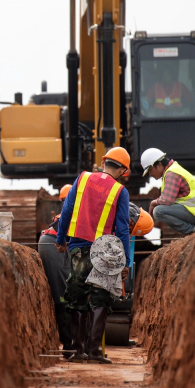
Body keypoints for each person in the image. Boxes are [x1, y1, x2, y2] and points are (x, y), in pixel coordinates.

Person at [55, 147, 132, 364]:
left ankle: (77, 351)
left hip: (78, 247)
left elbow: (67, 211)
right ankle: (95, 351)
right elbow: (123, 228)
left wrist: (61, 240)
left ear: (104, 162)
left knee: (77, 297)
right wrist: (124, 261)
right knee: (101, 299)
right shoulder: (120, 191)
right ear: (123, 171)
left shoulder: (83, 178)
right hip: (105, 251)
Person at [141, 148, 195, 235]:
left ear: (159, 164)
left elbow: (167, 201)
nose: (150, 174)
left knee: (158, 211)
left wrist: (154, 202)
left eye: (150, 170)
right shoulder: (172, 170)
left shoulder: (171, 173)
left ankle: (193, 231)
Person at [38, 184, 73, 358]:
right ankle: (68, 347)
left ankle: (71, 344)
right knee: (62, 296)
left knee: (64, 292)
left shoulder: (68, 213)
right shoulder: (72, 213)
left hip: (50, 243)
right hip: (52, 244)